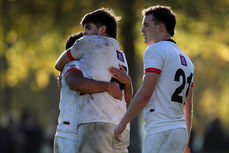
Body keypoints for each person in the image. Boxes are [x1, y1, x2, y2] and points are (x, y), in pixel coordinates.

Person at [114, 5, 194, 153]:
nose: (141, 30)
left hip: (160, 130)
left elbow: (145, 93)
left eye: (146, 25)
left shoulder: (155, 50)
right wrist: (186, 141)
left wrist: (122, 123)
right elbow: (188, 106)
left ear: (160, 28)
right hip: (180, 132)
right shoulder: (187, 60)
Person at [55, 8, 132, 153]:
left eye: (88, 28)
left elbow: (61, 67)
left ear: (102, 29)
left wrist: (112, 86)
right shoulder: (120, 55)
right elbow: (126, 100)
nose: (85, 33)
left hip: (90, 125)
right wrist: (124, 84)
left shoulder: (87, 45)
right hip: (118, 125)